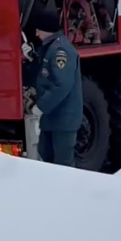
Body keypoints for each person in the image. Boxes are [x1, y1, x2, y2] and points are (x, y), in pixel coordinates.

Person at [25, 24, 82, 167]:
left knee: (63, 165)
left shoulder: (60, 51)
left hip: (63, 120)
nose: (37, 34)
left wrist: (41, 107)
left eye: (38, 29)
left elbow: (61, 85)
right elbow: (43, 76)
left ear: (47, 29)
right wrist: (31, 60)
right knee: (46, 159)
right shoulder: (48, 47)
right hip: (52, 119)